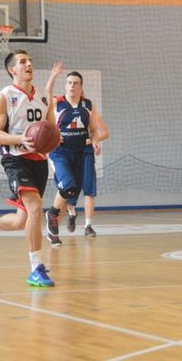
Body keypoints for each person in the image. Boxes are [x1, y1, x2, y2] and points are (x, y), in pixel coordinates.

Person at [0, 50, 58, 287]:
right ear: (12, 70)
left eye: (30, 61)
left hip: (39, 161)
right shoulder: (5, 96)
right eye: (23, 62)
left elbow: (51, 128)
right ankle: (36, 268)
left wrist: (54, 140)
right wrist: (20, 139)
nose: (29, 64)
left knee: (21, 220)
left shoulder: (43, 96)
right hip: (16, 160)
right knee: (35, 208)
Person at [44, 70, 109, 246]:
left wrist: (94, 140)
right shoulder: (56, 102)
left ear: (81, 87)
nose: (72, 86)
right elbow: (45, 102)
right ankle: (53, 222)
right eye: (69, 83)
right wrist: (53, 76)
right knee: (67, 186)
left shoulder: (87, 105)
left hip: (81, 152)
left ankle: (66, 219)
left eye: (75, 83)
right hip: (60, 152)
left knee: (72, 191)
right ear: (65, 86)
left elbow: (96, 131)